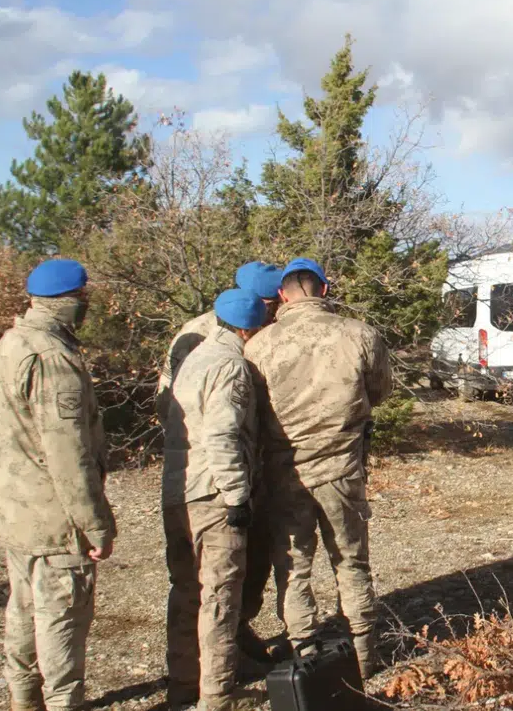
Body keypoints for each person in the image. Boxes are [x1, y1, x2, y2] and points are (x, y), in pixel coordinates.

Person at [243, 257, 393, 678]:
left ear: (282, 296)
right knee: (351, 562)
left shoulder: (258, 346)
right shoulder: (360, 334)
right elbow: (379, 391)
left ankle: (305, 657)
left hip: (284, 474)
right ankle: (364, 656)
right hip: (343, 470)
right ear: (324, 290)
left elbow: (249, 413)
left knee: (293, 570)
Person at [0, 258, 117, 711]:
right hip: (54, 517)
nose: (87, 304)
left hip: (16, 509)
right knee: (62, 614)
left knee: (23, 608)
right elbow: (68, 454)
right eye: (83, 296)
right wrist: (95, 523)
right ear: (70, 301)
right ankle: (65, 703)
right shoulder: (51, 359)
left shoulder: (11, 343)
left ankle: (23, 698)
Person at [161, 288, 268, 711]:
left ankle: (182, 686)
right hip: (212, 495)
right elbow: (222, 433)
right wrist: (237, 495)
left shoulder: (194, 358)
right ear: (248, 328)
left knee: (185, 593)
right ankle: (218, 696)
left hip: (177, 490)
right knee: (221, 597)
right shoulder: (231, 365)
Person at [155, 261, 283, 426]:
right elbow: (168, 396)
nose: (274, 313)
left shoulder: (266, 329)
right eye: (271, 306)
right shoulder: (197, 332)